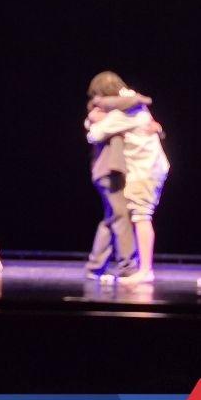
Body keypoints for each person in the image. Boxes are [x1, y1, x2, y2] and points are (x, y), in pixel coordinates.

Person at [86, 72, 169, 285]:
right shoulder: (133, 106)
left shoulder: (123, 112)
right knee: (119, 216)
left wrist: (94, 121)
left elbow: (95, 134)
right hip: (139, 168)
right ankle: (111, 266)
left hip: (142, 170)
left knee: (137, 216)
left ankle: (140, 269)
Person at [83, 74, 139, 281]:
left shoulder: (110, 110)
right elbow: (134, 102)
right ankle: (127, 265)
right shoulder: (102, 110)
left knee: (112, 217)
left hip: (106, 171)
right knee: (121, 216)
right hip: (109, 170)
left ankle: (95, 266)